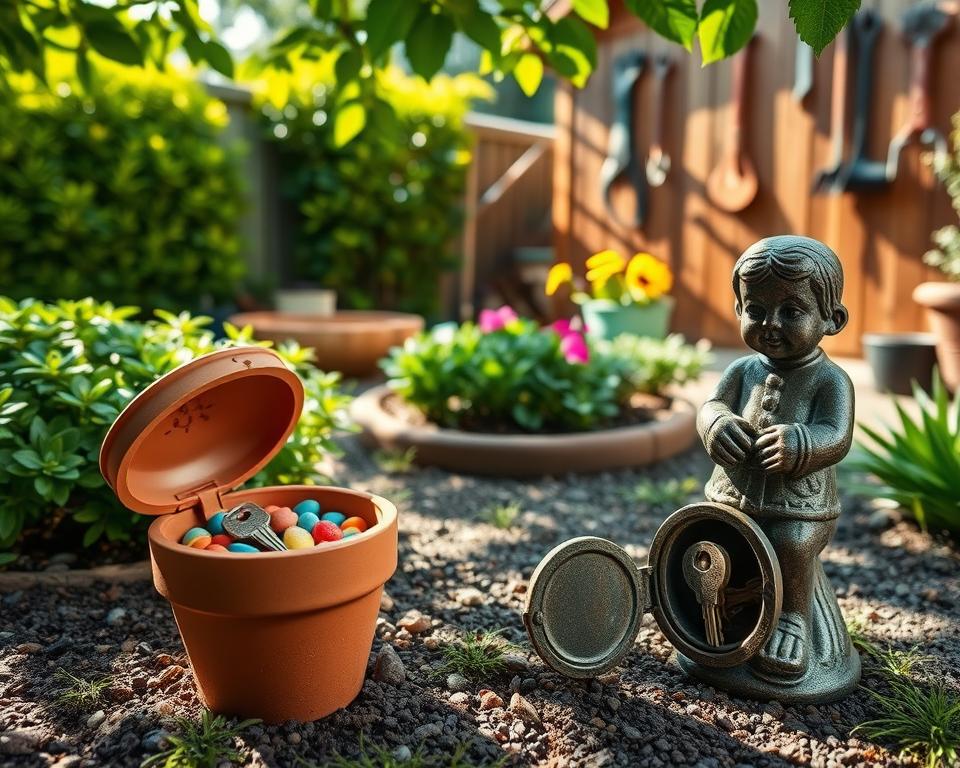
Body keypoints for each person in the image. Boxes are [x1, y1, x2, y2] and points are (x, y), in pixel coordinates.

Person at [697, 235, 854, 679]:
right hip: (733, 498)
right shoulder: (741, 370)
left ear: (832, 319)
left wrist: (803, 443)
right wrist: (715, 424)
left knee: (790, 545)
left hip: (801, 511)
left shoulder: (831, 381)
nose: (771, 324)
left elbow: (837, 436)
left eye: (792, 311)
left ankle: (792, 621)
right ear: (737, 311)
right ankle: (712, 615)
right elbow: (711, 406)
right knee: (713, 539)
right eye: (756, 310)